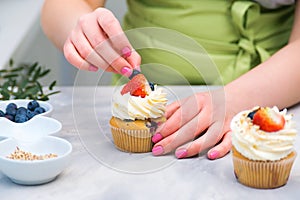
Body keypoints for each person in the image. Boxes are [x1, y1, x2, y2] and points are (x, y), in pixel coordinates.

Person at [41, 0, 300, 160]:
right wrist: (81, 29)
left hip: (272, 99)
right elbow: (60, 5)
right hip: (139, 101)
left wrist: (237, 100)